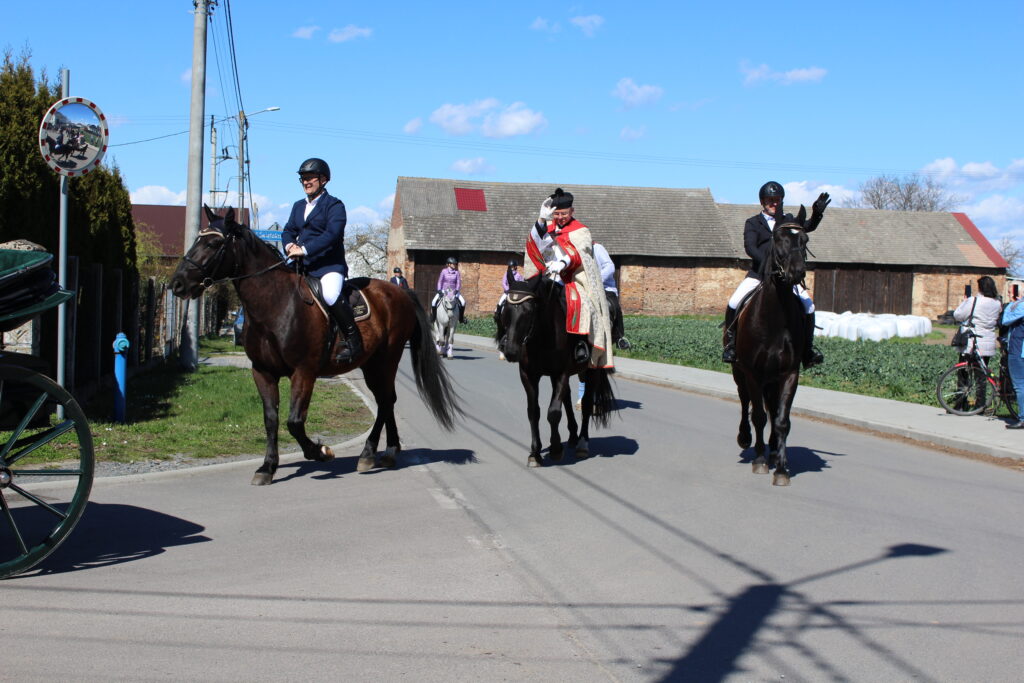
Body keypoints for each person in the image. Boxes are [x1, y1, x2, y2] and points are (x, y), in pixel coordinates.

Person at [721, 181, 828, 368]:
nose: (774, 203)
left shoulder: (788, 220)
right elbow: (751, 247)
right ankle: (731, 345)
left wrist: (817, 214)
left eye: (777, 200)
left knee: (808, 306)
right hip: (759, 274)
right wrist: (767, 265)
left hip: (784, 277)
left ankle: (808, 351)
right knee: (734, 302)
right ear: (763, 201)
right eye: (770, 200)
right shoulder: (753, 223)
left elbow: (807, 226)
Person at [281, 157, 363, 363]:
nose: (306, 182)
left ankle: (354, 342)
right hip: (302, 265)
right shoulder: (298, 206)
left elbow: (332, 235)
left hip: (328, 266)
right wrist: (289, 245)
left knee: (330, 295)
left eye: (310, 178)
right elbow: (288, 230)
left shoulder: (334, 205)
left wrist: (304, 250)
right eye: (303, 179)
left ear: (323, 180)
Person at [522, 188, 614, 368]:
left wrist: (563, 263)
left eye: (564, 213)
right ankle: (515, 338)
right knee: (521, 301)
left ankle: (580, 343)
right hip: (548, 275)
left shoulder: (581, 230)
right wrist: (541, 220)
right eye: (556, 214)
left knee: (582, 303)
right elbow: (533, 243)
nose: (560, 217)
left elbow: (582, 253)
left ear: (572, 211)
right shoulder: (547, 228)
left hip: (572, 278)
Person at [953, 275, 1003, 365]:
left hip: (972, 341)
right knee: (981, 372)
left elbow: (958, 315)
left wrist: (965, 302)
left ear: (980, 288)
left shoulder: (974, 301)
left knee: (964, 370)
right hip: (988, 341)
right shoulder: (997, 303)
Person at [592, 242, 630, 350]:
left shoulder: (597, 248)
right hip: (584, 286)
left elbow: (610, 267)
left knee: (614, 307)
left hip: (604, 287)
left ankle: (619, 337)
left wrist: (598, 280)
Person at [1001, 292, 1024, 429]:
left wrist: (1014, 302)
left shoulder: (1020, 306)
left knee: (1020, 385)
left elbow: (1005, 319)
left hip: (1019, 350)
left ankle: (1022, 418)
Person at [432, 256, 467, 324]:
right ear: (449, 264)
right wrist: (439, 290)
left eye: (455, 264)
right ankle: (433, 317)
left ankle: (461, 318)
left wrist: (457, 290)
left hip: (453, 291)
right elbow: (440, 281)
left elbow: (458, 282)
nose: (455, 265)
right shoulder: (444, 271)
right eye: (453, 264)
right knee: (433, 302)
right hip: (444, 290)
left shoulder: (457, 272)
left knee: (463, 302)